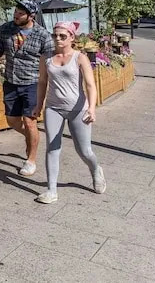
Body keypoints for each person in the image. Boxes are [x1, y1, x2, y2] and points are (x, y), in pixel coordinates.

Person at [32, 20, 105, 204]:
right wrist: (39, 105)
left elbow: (90, 85)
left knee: (84, 151)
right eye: (55, 35)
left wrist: (92, 109)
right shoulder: (46, 57)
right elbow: (42, 82)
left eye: (62, 36)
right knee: (52, 148)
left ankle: (96, 170)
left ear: (72, 37)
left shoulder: (80, 58)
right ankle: (51, 190)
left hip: (78, 109)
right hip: (53, 108)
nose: (58, 39)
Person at [0, 0, 53, 176]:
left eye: (20, 14)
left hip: (33, 83)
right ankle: (30, 137)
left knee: (29, 122)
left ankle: (31, 160)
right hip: (11, 82)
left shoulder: (43, 35)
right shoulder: (6, 29)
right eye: (15, 12)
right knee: (12, 121)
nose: (16, 15)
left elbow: (50, 61)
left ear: (31, 16)